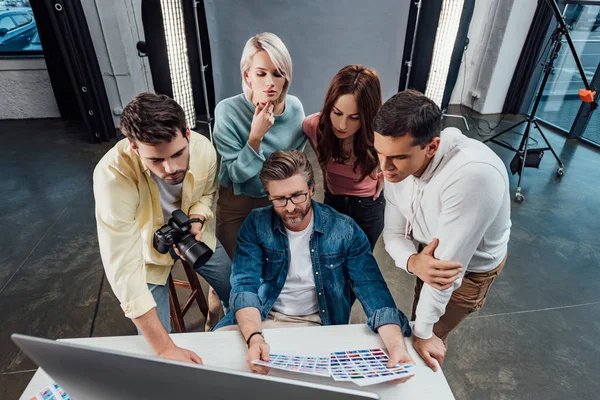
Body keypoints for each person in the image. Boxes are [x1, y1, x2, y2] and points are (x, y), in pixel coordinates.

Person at [213, 150, 414, 380]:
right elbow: (244, 284)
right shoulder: (256, 224)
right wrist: (255, 337)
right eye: (279, 199)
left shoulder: (345, 231)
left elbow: (373, 289)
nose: (289, 208)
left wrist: (397, 347)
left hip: (314, 323)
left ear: (312, 188)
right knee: (220, 371)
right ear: (268, 196)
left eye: (297, 195)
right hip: (260, 318)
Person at [374, 90, 511, 371]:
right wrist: (414, 263)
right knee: (416, 325)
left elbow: (444, 276)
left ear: (432, 147)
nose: (384, 168)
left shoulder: (473, 176)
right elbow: (393, 235)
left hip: (469, 271)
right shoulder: (394, 164)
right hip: (428, 254)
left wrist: (424, 333)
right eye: (379, 152)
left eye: (397, 158)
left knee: (424, 343)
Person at [93, 93, 232, 364]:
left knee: (235, 289)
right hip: (145, 254)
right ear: (134, 148)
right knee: (156, 348)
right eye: (156, 160)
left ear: (187, 134)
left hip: (193, 235)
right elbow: (122, 269)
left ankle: (223, 342)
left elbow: (206, 194)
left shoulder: (203, 149)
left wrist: (198, 218)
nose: (171, 168)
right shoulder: (112, 175)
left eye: (178, 153)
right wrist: (164, 349)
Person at [213, 32, 306, 260]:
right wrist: (256, 136)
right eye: (261, 73)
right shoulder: (227, 112)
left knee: (273, 265)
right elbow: (236, 174)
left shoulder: (294, 109)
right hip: (237, 200)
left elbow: (295, 165)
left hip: (275, 200)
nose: (270, 83)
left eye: (278, 74)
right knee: (235, 268)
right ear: (247, 77)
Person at [303, 65, 384, 250]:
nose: (342, 125)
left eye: (354, 118)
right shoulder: (313, 126)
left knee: (359, 265)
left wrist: (387, 177)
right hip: (333, 202)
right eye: (337, 113)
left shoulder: (379, 133)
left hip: (367, 207)